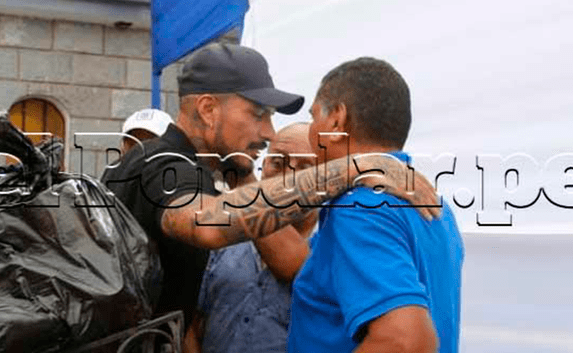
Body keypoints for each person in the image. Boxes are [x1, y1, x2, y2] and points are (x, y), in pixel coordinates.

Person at [101, 43, 439, 329]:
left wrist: (241, 169)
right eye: (258, 114)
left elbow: (296, 267)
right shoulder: (164, 164)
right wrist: (353, 168)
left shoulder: (200, 166)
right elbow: (208, 225)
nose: (270, 133)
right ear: (208, 109)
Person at [287, 57, 464, 353]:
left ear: (337, 119)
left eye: (313, 116)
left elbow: (407, 344)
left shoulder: (360, 209)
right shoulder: (435, 206)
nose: (311, 131)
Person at [183, 122, 315, 353]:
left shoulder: (333, 252)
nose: (288, 178)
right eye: (278, 162)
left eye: (306, 168)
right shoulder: (223, 238)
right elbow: (191, 320)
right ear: (262, 165)